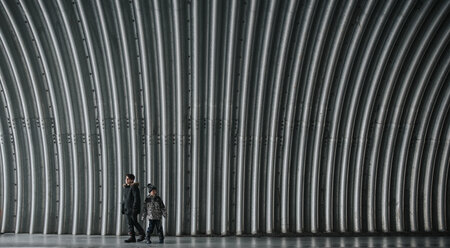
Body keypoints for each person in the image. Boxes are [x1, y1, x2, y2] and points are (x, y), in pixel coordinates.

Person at [121, 174, 145, 243]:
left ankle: (142, 234)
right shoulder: (126, 188)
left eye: (127, 179)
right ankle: (132, 237)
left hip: (132, 209)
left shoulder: (134, 187)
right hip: (127, 209)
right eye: (126, 178)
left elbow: (136, 199)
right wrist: (123, 208)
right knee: (130, 223)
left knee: (134, 222)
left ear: (131, 180)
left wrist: (135, 208)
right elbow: (124, 199)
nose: (126, 180)